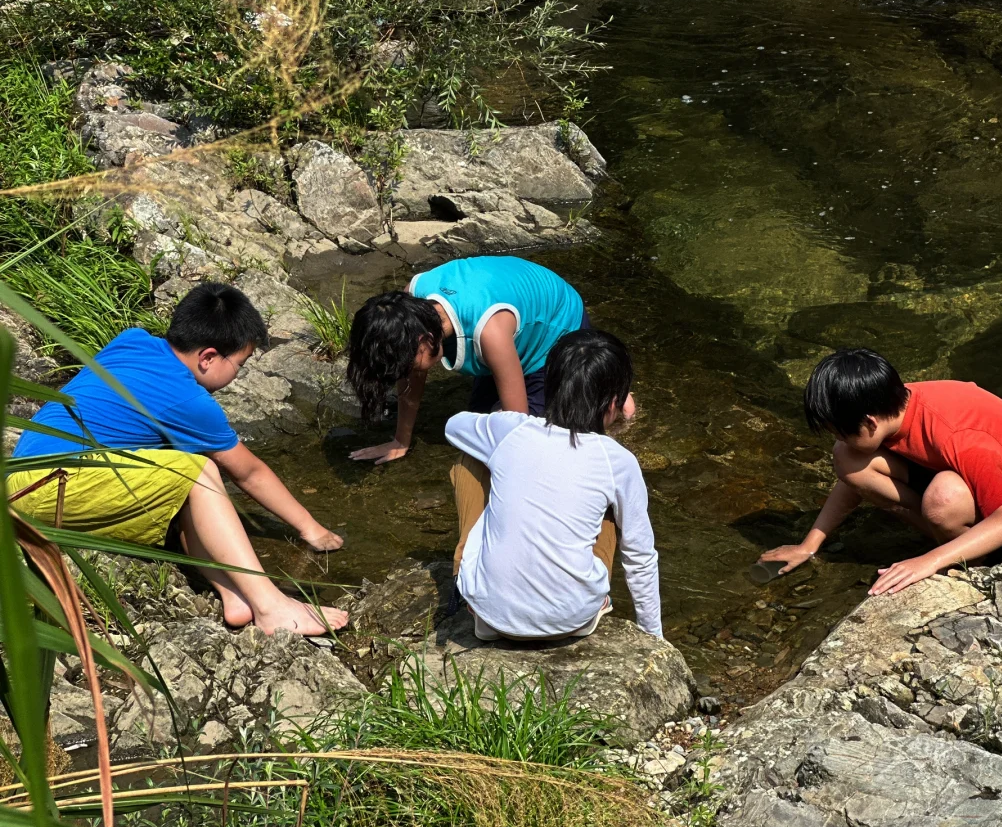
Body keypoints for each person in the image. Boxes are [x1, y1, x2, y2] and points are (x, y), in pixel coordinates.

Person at [8, 282, 348, 638]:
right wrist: (312, 529)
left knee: (182, 464)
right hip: (49, 491)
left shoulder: (133, 340)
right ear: (208, 357)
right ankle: (270, 606)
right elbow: (249, 473)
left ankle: (233, 595)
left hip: (26, 475)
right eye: (240, 365)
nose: (237, 376)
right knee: (198, 469)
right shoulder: (187, 400)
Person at [757, 348, 1002, 596]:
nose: (838, 439)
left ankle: (975, 562)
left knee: (943, 498)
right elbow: (852, 482)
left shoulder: (960, 438)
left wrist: (927, 562)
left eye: (841, 432)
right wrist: (809, 546)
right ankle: (948, 539)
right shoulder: (893, 404)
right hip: (960, 478)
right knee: (848, 458)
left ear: (870, 423)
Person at [443, 328, 661, 641]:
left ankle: (465, 579)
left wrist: (502, 422)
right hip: (572, 621)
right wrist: (653, 639)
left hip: (491, 619)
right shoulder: (618, 461)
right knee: (614, 509)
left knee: (470, 460)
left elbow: (453, 426)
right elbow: (640, 557)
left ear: (551, 385)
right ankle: (587, 599)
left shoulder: (511, 430)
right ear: (614, 403)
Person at [346, 256, 635, 464]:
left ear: (425, 341)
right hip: (508, 306)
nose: (405, 375)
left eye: (406, 366)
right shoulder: (410, 302)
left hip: (555, 319)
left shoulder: (490, 332)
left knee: (521, 432)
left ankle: (609, 388)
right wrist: (401, 440)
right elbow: (411, 379)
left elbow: (518, 426)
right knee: (481, 422)